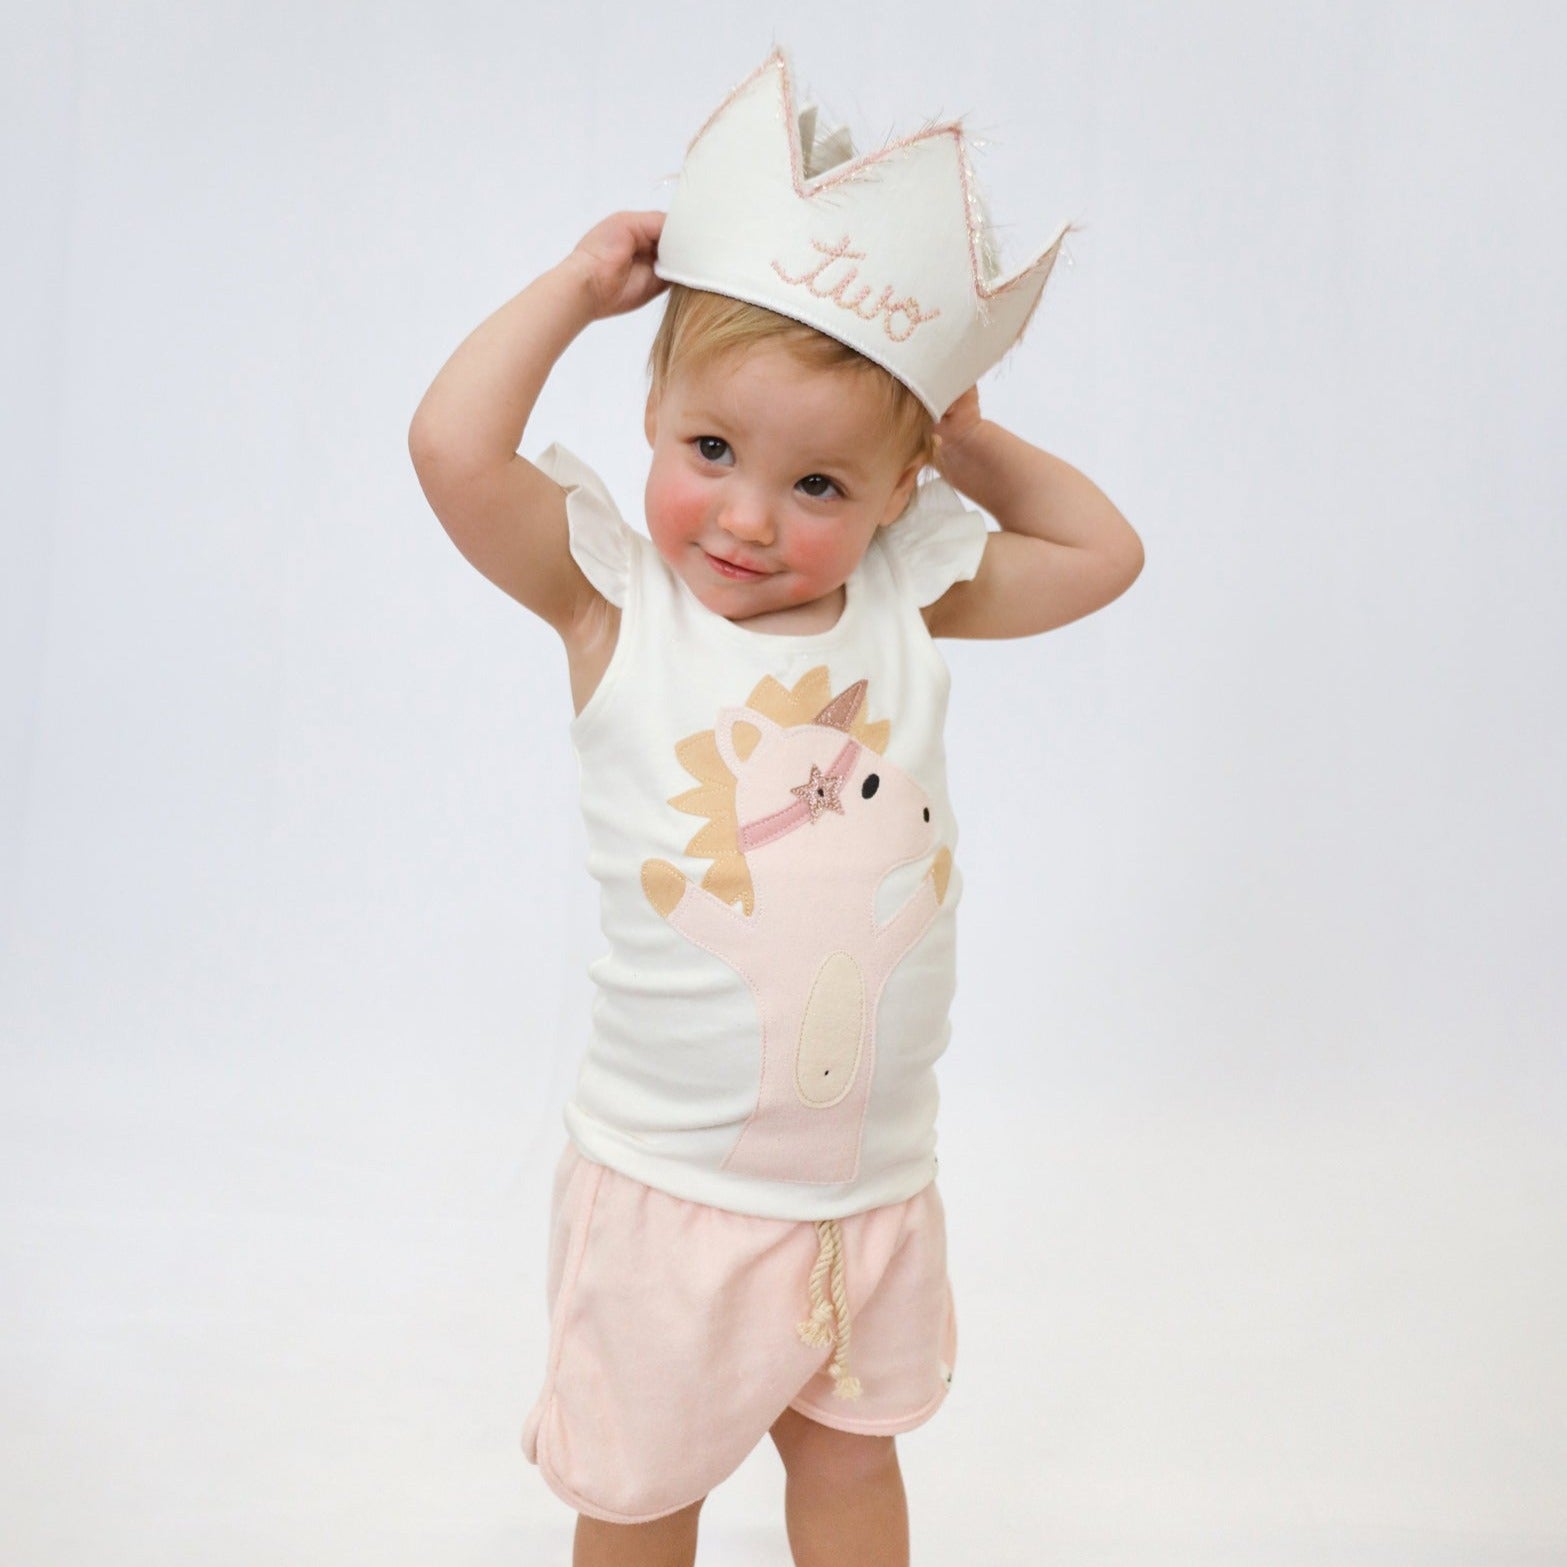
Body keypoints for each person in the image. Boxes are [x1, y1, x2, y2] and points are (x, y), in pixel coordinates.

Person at [408, 46, 1142, 1567]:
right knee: (639, 1490)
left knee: (855, 1470)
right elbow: (452, 451)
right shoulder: (617, 609)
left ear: (894, 495)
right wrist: (568, 288)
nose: (748, 515)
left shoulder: (906, 596)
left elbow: (1099, 555)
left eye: (821, 484)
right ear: (656, 419)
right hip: (672, 1190)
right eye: (714, 452)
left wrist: (962, 425)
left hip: (865, 1183)